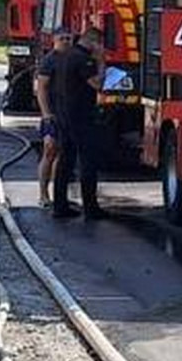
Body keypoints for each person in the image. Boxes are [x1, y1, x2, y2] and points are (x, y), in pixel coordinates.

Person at [51, 25, 106, 220]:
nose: (101, 48)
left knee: (65, 160)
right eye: (99, 44)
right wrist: (100, 62)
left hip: (64, 114)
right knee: (88, 160)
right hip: (81, 116)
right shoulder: (84, 59)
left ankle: (59, 205)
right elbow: (97, 84)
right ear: (93, 42)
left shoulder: (66, 55)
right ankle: (91, 208)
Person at [32, 27, 72, 209]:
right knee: (49, 151)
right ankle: (42, 194)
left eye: (68, 38)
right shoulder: (49, 61)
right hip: (52, 115)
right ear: (54, 40)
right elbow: (41, 89)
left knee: (62, 156)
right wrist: (46, 114)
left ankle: (58, 195)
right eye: (62, 38)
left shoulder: (73, 60)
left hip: (67, 115)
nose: (66, 41)